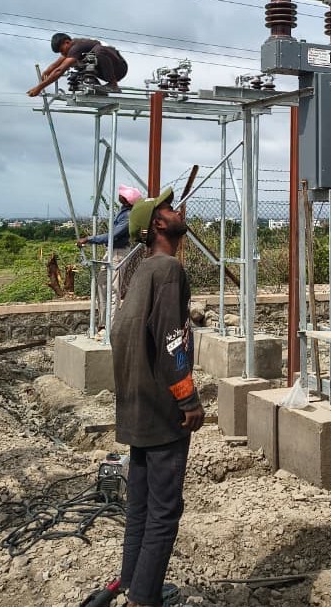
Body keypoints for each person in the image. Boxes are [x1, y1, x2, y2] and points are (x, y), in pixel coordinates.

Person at [110, 186, 204, 607]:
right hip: (163, 413)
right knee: (165, 512)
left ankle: (132, 584)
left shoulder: (141, 273)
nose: (176, 209)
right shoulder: (168, 270)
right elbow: (171, 340)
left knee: (141, 508)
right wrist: (187, 398)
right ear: (158, 225)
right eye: (167, 208)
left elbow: (124, 337)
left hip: (136, 409)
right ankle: (143, 600)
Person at [78, 184, 143, 326]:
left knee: (113, 290)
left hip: (118, 253)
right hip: (112, 252)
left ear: (125, 199)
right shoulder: (124, 211)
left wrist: (89, 239)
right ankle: (103, 324)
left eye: (122, 194)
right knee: (102, 285)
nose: (119, 194)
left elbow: (112, 236)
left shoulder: (127, 216)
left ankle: (111, 327)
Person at [27, 32, 129, 96]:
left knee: (97, 52)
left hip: (119, 68)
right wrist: (46, 72)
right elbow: (55, 65)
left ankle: (113, 84)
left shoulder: (76, 47)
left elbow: (59, 70)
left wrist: (39, 88)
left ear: (67, 42)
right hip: (108, 69)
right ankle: (95, 86)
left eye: (62, 50)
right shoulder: (71, 48)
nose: (63, 54)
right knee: (79, 61)